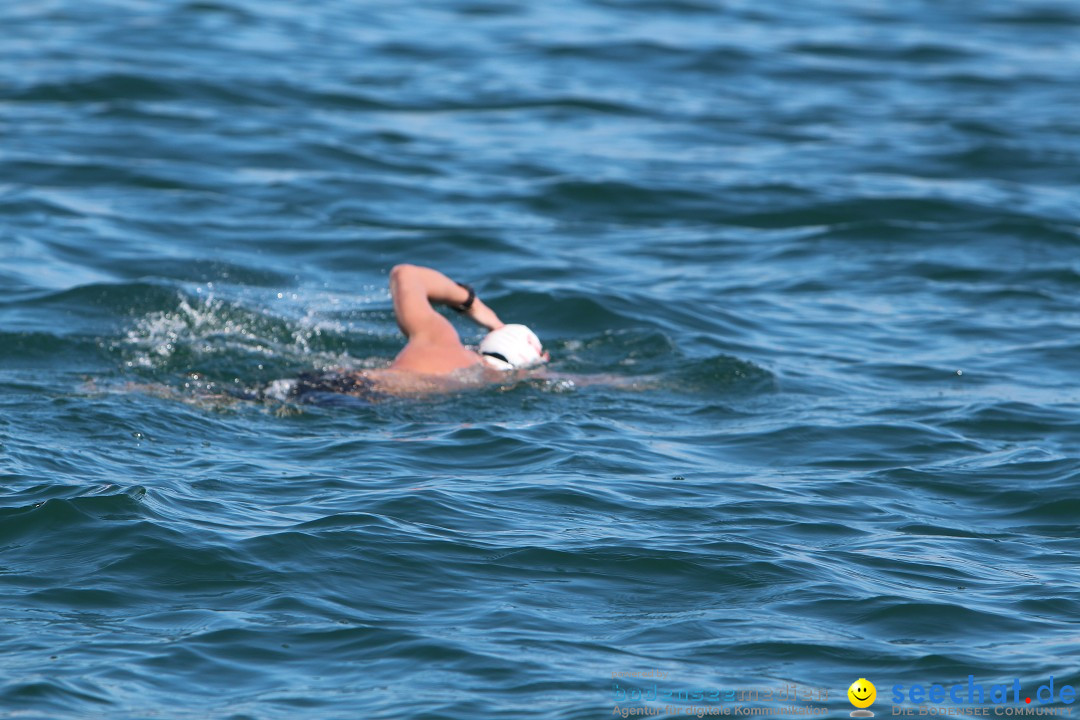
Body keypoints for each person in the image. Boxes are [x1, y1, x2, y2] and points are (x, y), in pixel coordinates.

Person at [275, 264, 550, 401]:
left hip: (344, 384)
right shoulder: (500, 382)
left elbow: (405, 273)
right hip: (369, 402)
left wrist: (474, 306)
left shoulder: (440, 339)